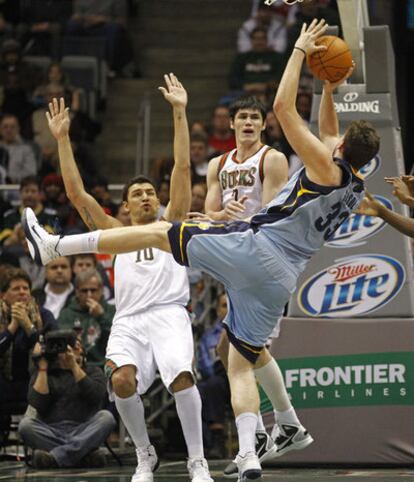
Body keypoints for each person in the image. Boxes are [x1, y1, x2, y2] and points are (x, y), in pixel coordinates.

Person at [23, 19, 381, 481]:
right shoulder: (354, 181)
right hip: (284, 277)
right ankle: (275, 435)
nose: (330, 141)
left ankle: (55, 245)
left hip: (258, 248)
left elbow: (282, 107)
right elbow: (332, 133)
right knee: (239, 360)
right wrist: (330, 86)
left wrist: (297, 51)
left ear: (340, 151)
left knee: (158, 231)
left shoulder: (321, 168)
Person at [29, 74, 213, 482]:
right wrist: (62, 139)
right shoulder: (113, 233)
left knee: (182, 378)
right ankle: (145, 455)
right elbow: (77, 195)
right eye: (138, 194)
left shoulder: (173, 222)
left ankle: (197, 460)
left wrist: (179, 112)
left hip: (168, 313)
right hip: (129, 317)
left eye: (151, 191)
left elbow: (182, 166)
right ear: (126, 207)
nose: (147, 196)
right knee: (122, 382)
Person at [201, 94, 311, 478]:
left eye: (254, 118)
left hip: (262, 257)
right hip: (234, 258)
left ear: (263, 125)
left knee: (241, 353)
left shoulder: (273, 159)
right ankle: (276, 428)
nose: (248, 122)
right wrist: (220, 215)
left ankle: (274, 431)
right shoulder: (218, 164)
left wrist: (229, 223)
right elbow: (210, 212)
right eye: (242, 117)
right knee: (230, 348)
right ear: (230, 123)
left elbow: (272, 216)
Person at [18, 333, 116, 469]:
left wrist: (74, 367)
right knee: (25, 425)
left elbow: (95, 396)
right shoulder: (44, 373)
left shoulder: (93, 371)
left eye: (74, 347)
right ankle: (81, 455)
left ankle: (55, 458)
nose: (65, 350)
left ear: (82, 351)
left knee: (106, 418)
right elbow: (39, 404)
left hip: (83, 429)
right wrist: (42, 367)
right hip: (51, 431)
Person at [58, 269, 115, 367]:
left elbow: (116, 339)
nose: (89, 295)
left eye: (93, 290)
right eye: (84, 291)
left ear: (101, 290)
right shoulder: (66, 314)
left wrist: (101, 317)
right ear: (77, 292)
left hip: (104, 367)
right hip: (75, 367)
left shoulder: (111, 311)